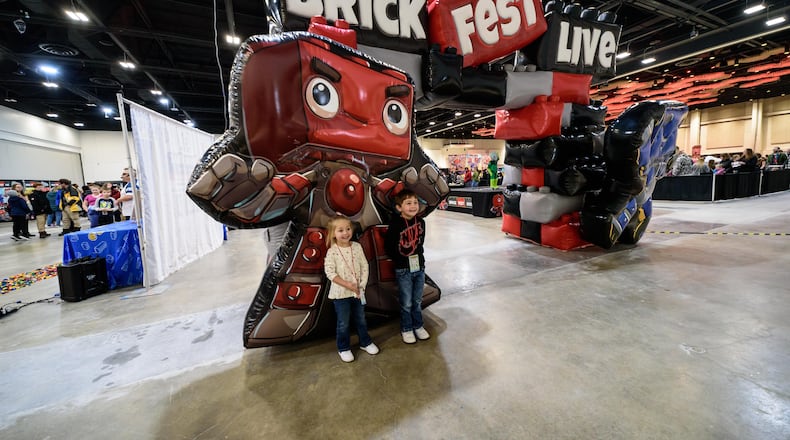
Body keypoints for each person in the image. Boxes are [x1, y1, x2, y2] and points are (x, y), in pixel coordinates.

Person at [323, 215, 379, 363]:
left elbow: (364, 266)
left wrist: (361, 285)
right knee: (343, 322)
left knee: (361, 319)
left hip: (358, 293)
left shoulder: (357, 247)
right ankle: (343, 347)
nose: (345, 233)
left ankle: (365, 342)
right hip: (341, 295)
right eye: (340, 230)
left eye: (348, 229)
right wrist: (347, 285)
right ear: (333, 233)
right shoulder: (332, 252)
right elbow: (330, 272)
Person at [384, 190, 431, 344]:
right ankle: (407, 328)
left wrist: (420, 261)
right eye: (408, 203)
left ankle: (418, 325)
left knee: (417, 300)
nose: (413, 206)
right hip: (403, 269)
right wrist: (400, 260)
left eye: (415, 203)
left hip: (419, 267)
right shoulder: (395, 224)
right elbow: (389, 247)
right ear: (399, 207)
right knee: (406, 302)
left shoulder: (421, 223)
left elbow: (420, 243)